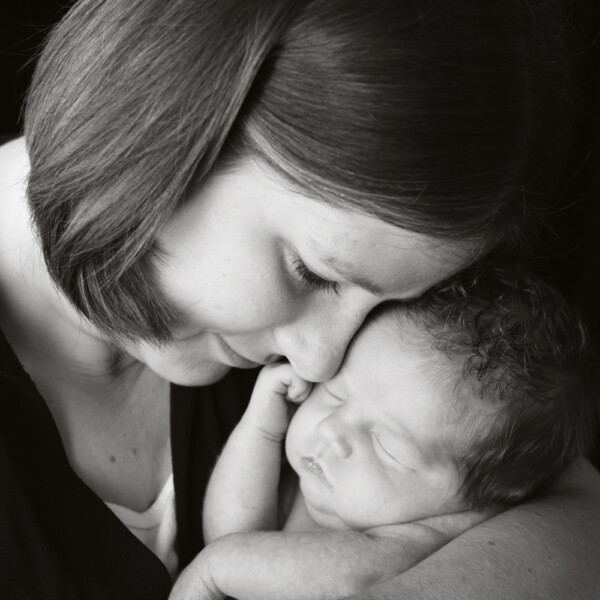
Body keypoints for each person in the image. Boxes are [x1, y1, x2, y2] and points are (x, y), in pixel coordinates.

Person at [1, 0, 599, 598]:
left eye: (387, 304)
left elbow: (576, 507)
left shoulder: (390, 344)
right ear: (159, 132)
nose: (319, 366)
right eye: (311, 274)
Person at [169, 268, 598, 600]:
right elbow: (231, 534)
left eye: (386, 446)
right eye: (334, 395)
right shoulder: (322, 486)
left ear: (485, 493)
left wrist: (218, 567)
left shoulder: (424, 537)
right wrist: (261, 428)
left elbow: (354, 578)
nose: (333, 430)